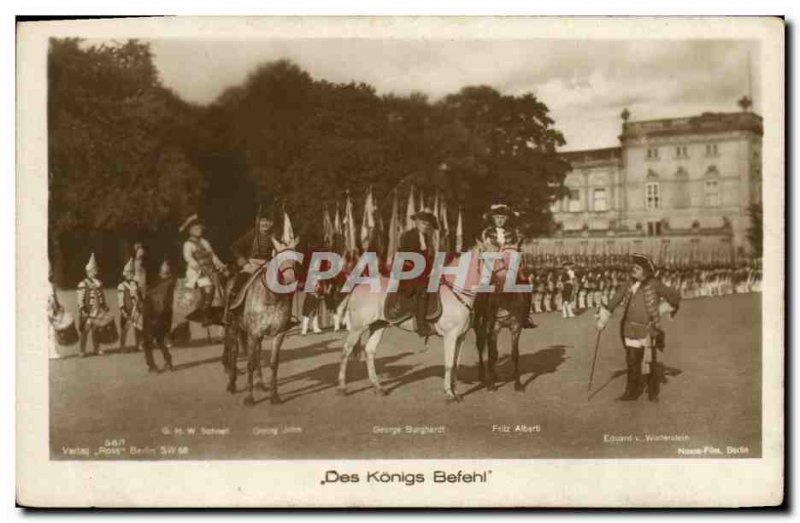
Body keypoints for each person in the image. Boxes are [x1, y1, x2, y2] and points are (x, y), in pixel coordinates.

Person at [596, 253, 681, 402]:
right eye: (633, 267)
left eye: (637, 268)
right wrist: (605, 315)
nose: (633, 270)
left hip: (648, 331)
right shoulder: (628, 283)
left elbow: (674, 296)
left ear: (645, 271)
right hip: (629, 329)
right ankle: (631, 392)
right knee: (631, 361)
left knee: (649, 363)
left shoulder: (655, 284)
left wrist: (663, 308)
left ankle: (653, 392)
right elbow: (616, 298)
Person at [225, 208, 296, 324]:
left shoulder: (276, 236)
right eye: (263, 221)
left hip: (270, 265)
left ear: (272, 223)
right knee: (239, 281)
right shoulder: (252, 234)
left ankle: (287, 315)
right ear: (258, 222)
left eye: (268, 221)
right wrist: (242, 259)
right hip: (252, 263)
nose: (265, 223)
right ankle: (231, 311)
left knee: (286, 284)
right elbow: (235, 247)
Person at [480, 204, 536, 328]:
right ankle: (479, 315)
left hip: (510, 264)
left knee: (525, 283)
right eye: (497, 217)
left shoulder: (514, 233)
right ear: (493, 218)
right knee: (482, 286)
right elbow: (483, 249)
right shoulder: (487, 233)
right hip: (492, 264)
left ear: (506, 219)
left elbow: (519, 248)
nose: (500, 220)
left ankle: (525, 316)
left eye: (502, 217)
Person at [180, 214, 227, 326]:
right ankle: (204, 316)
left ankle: (218, 313)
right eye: (196, 228)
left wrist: (220, 264)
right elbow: (188, 257)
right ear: (190, 230)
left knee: (220, 286)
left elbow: (212, 255)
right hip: (197, 271)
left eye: (200, 228)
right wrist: (197, 267)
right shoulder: (188, 244)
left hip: (210, 269)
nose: (199, 230)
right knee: (208, 288)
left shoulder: (205, 242)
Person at [398, 209, 438, 337]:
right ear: (416, 223)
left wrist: (432, 269)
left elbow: (428, 257)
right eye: (423, 223)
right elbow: (405, 256)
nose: (425, 226)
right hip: (409, 270)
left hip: (423, 271)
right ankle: (420, 325)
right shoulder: (408, 235)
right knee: (422, 290)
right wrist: (419, 270)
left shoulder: (427, 237)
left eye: (427, 224)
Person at [142, 260, 175, 372]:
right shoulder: (171, 284)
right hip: (163, 318)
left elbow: (149, 299)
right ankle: (168, 362)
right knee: (160, 341)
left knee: (147, 343)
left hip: (152, 317)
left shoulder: (158, 287)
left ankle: (151, 366)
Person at [77, 252, 110, 357]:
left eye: (95, 270)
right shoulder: (83, 284)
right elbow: (80, 298)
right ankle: (82, 350)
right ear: (88, 272)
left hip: (98, 310)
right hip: (88, 311)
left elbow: (101, 296)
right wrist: (82, 309)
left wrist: (104, 306)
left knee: (97, 330)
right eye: (92, 271)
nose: (94, 272)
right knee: (85, 331)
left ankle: (97, 348)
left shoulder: (99, 283)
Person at [117, 257, 144, 352]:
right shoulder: (121, 286)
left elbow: (140, 296)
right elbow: (120, 299)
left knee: (138, 328)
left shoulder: (136, 284)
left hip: (136, 309)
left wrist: (140, 305)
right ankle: (122, 346)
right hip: (127, 310)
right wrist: (122, 309)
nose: (130, 275)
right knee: (125, 329)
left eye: (132, 273)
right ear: (125, 274)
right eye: (128, 273)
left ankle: (139, 344)